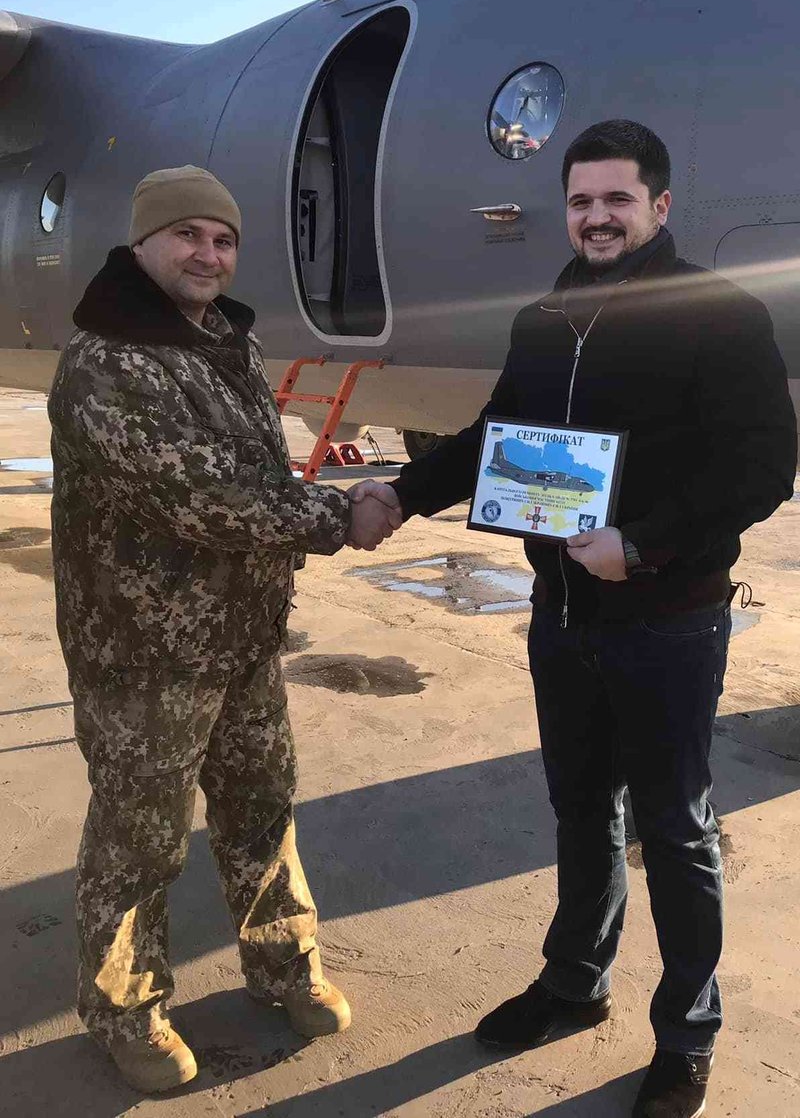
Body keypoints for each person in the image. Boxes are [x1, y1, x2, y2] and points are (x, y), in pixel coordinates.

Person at [355, 121, 797, 1118]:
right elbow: (495, 440)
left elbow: (765, 465)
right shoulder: (543, 321)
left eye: (616, 200)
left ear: (659, 207)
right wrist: (401, 492)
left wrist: (643, 543)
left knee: (675, 829)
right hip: (561, 614)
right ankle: (574, 984)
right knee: (581, 810)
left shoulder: (717, 315)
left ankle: (685, 1035)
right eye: (581, 201)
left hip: (668, 621)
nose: (597, 218)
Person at [48, 165, 400, 1094]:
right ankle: (125, 1011)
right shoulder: (108, 361)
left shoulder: (223, 343)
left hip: (241, 641)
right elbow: (204, 495)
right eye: (188, 235)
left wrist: (315, 513)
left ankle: (284, 964)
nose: (208, 254)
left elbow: (259, 472)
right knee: (140, 838)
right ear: (143, 243)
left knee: (262, 806)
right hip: (144, 655)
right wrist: (340, 515)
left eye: (224, 240)